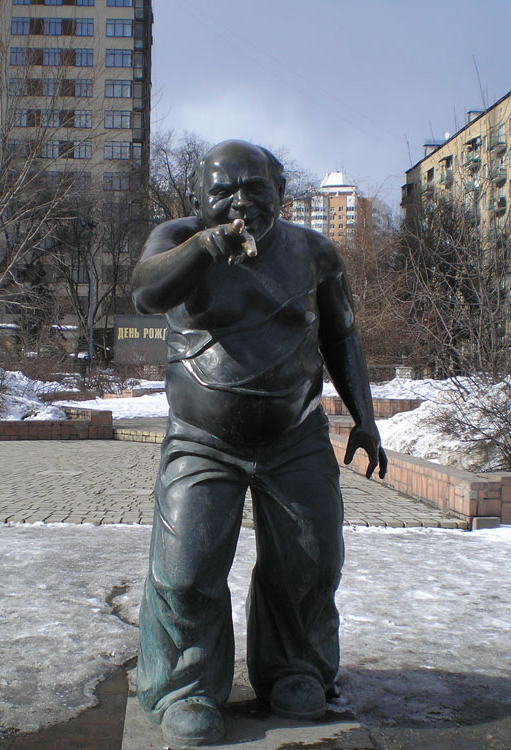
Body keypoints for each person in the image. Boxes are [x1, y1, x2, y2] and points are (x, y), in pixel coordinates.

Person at [131, 139, 385, 747]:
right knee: (185, 569)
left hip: (295, 437)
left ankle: (296, 669)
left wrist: (366, 418)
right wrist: (202, 249)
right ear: (200, 197)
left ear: (281, 193)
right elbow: (146, 292)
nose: (239, 203)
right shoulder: (177, 239)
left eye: (255, 190)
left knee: (311, 561)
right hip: (202, 441)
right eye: (223, 191)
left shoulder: (314, 253)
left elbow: (342, 337)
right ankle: (186, 686)